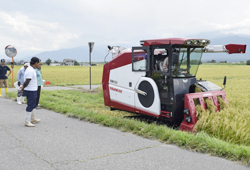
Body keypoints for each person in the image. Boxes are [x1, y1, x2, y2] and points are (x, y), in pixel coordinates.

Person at [19, 57, 41, 127]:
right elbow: (27, 80)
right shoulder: (30, 70)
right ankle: (27, 121)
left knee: (33, 104)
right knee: (31, 105)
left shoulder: (31, 69)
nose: (39, 65)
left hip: (33, 89)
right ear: (36, 63)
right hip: (30, 90)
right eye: (38, 63)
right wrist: (22, 87)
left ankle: (33, 118)